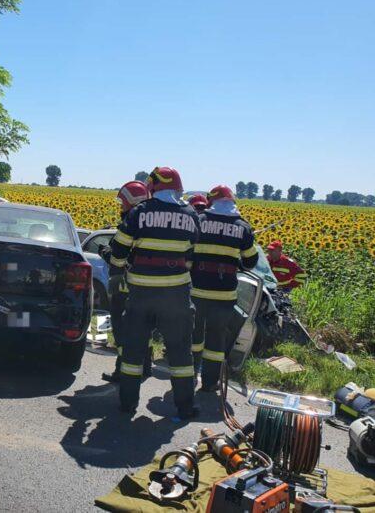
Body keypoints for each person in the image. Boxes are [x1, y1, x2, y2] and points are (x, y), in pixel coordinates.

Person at [108, 166, 200, 419]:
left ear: (153, 186)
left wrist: (116, 274)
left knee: (133, 352)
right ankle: (185, 407)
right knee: (181, 353)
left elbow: (119, 249)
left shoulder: (139, 213)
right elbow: (192, 254)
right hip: (176, 297)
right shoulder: (190, 215)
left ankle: (127, 405)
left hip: (141, 295)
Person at [190, 185, 258, 392]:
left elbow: (186, 251)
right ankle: (210, 383)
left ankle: (189, 376)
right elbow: (250, 262)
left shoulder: (199, 221)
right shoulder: (243, 227)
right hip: (224, 295)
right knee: (216, 340)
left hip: (196, 292)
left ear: (212, 201)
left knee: (193, 337)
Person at [101, 180, 152, 383]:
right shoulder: (150, 223)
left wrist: (105, 252)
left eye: (123, 203)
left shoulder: (130, 223)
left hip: (124, 284)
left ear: (131, 202)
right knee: (144, 328)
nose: (121, 207)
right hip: (145, 288)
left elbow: (119, 257)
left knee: (121, 328)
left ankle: (123, 369)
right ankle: (145, 366)